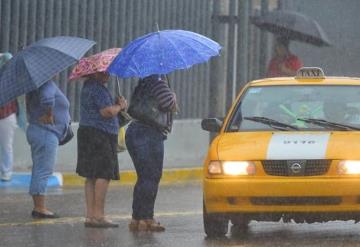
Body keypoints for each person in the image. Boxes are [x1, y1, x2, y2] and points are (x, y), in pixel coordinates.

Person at [76, 71, 127, 228]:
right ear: (94, 73)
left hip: (88, 133)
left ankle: (90, 215)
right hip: (100, 135)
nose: (108, 74)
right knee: (103, 174)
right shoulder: (97, 89)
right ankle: (99, 215)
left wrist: (117, 105)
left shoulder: (88, 87)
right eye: (103, 72)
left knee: (91, 175)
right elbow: (107, 112)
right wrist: (120, 106)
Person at [126, 74, 176, 232]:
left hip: (135, 131)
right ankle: (147, 218)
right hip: (149, 132)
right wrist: (173, 96)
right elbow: (168, 102)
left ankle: (137, 218)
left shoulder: (143, 82)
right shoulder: (157, 80)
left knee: (144, 177)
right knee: (152, 176)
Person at [26, 79, 70, 218]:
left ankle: (38, 206)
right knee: (43, 170)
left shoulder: (33, 86)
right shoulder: (45, 83)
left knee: (40, 168)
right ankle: (40, 208)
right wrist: (49, 114)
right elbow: (47, 99)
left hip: (40, 131)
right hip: (45, 132)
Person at [0, 53, 17, 182]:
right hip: (7, 115)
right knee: (6, 146)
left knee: (6, 145)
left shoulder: (12, 79)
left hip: (7, 115)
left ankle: (6, 171)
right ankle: (5, 171)